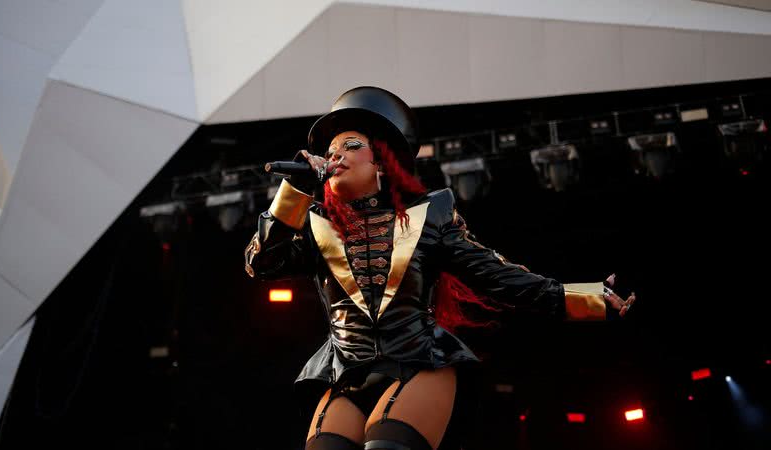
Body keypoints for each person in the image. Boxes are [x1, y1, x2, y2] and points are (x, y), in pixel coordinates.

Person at [244, 86, 637, 450]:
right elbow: (261, 263)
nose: (335, 158)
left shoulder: (429, 217)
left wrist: (589, 299)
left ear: (381, 160)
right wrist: (293, 192)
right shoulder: (314, 225)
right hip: (346, 373)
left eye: (350, 146)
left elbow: (496, 276)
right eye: (329, 153)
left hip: (418, 364)